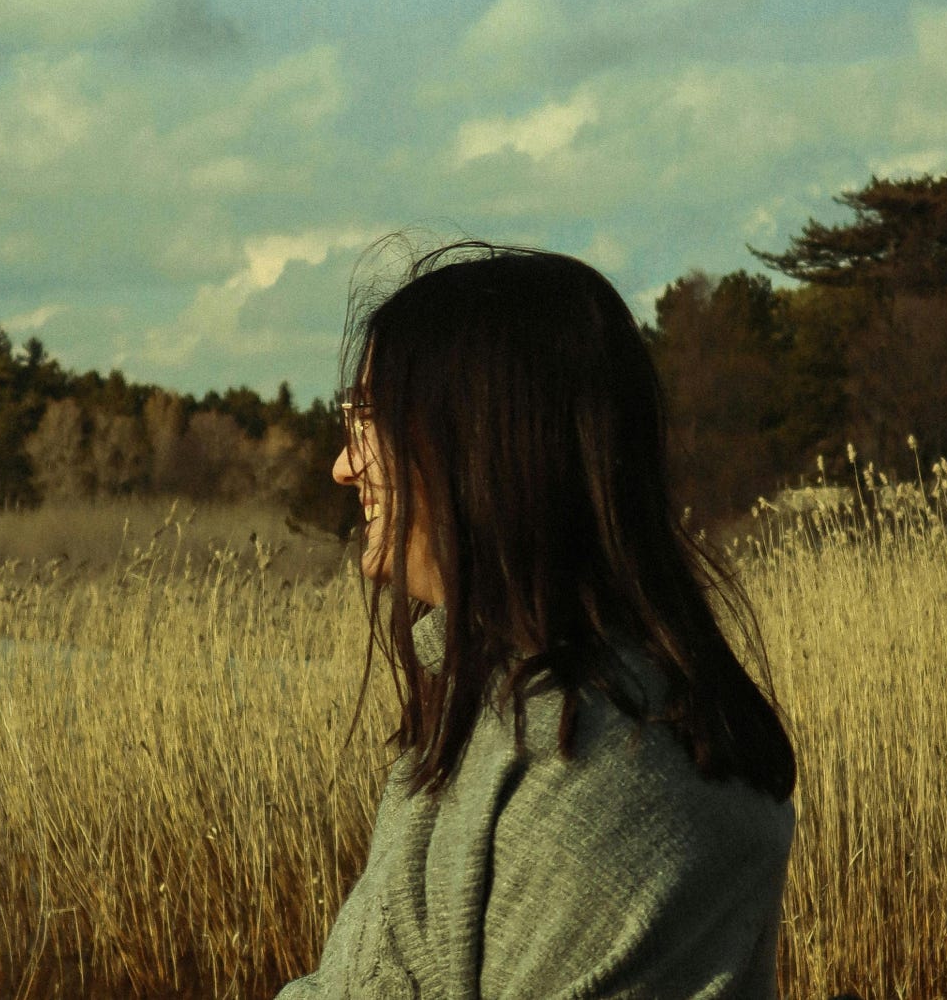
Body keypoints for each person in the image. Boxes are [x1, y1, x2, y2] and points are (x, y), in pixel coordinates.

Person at [277, 241, 797, 999]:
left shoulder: (611, 768)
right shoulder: (495, 712)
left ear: (481, 444)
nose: (344, 466)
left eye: (369, 420)